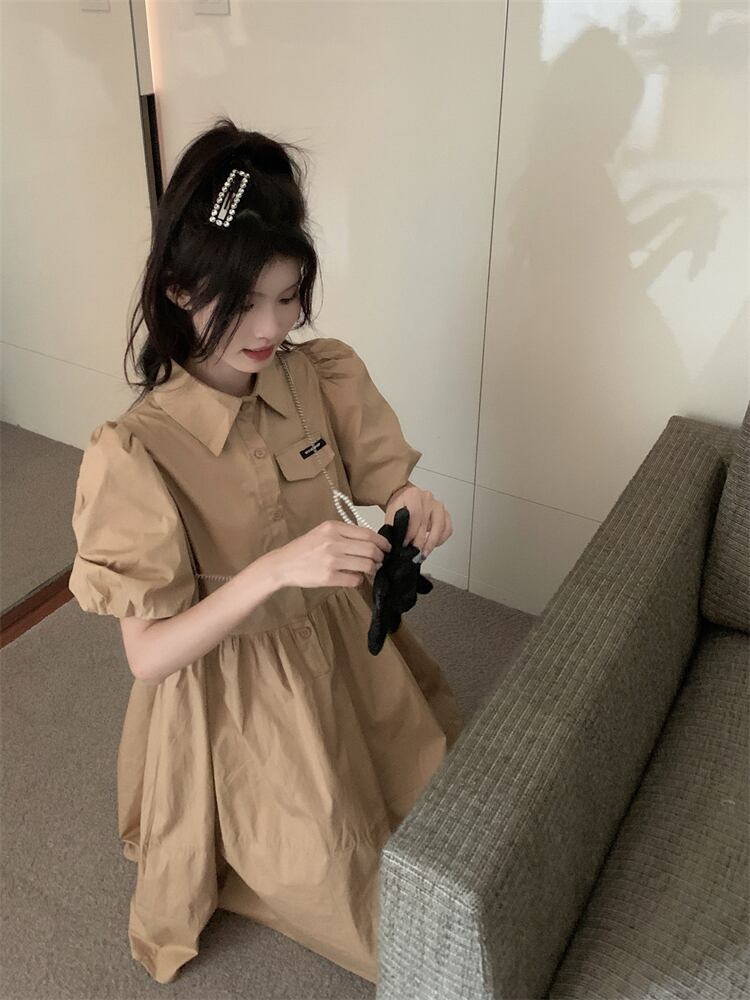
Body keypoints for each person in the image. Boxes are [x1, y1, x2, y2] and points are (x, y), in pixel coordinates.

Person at [69, 117, 465, 986]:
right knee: (376, 909)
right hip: (238, 695)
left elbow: (386, 478)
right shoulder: (134, 454)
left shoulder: (317, 373)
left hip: (349, 650)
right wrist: (277, 570)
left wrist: (411, 504)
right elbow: (148, 655)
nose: (270, 325)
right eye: (245, 301)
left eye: (287, 297)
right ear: (179, 288)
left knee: (452, 816)